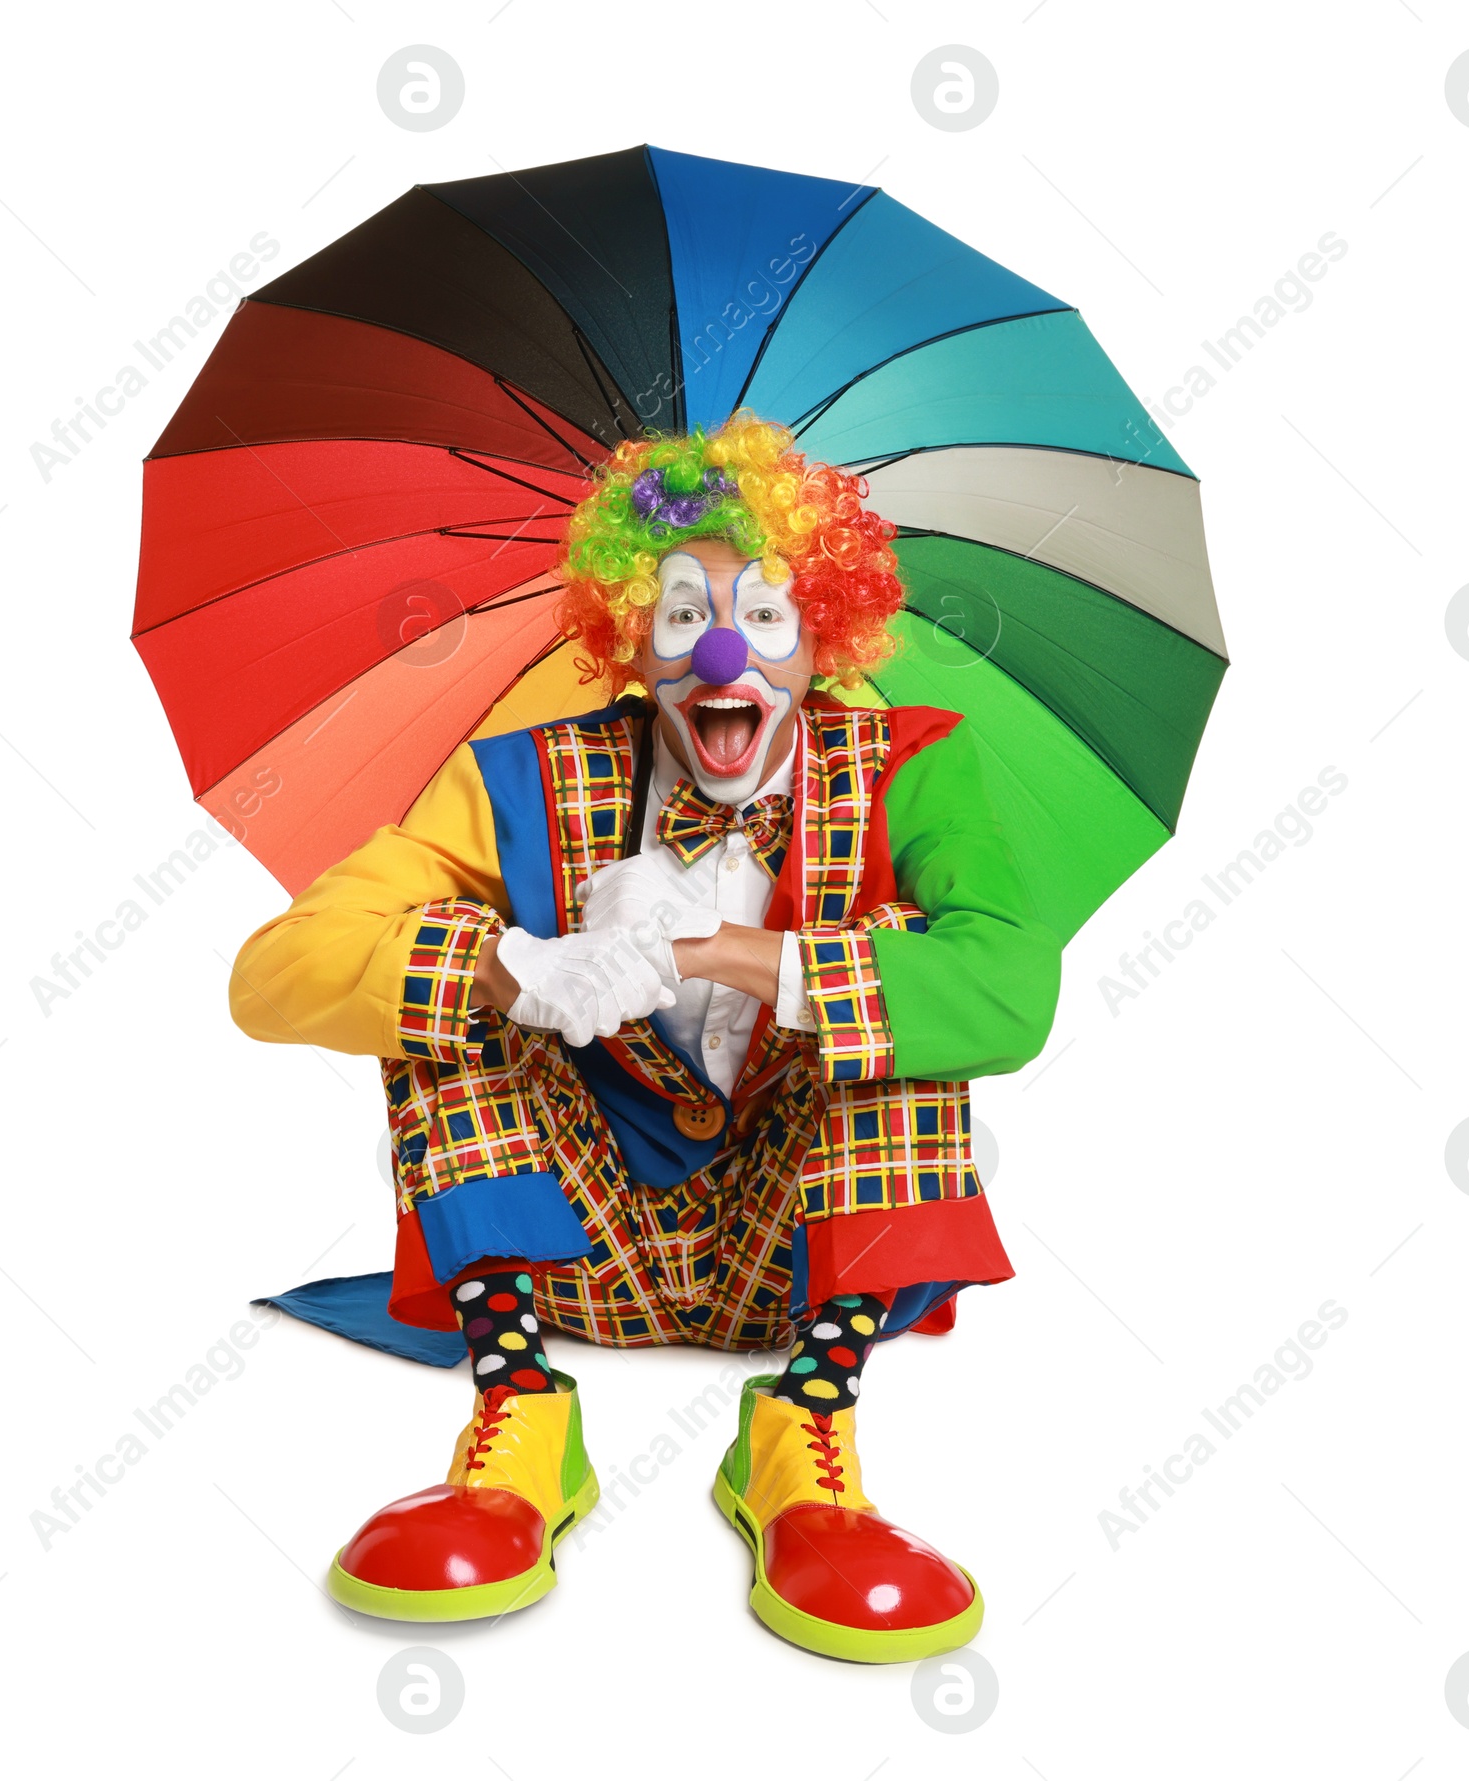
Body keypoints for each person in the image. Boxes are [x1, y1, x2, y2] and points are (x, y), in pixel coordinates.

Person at [229, 411, 1061, 1661]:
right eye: (684, 616)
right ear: (631, 635)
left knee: (892, 974)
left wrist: (735, 956)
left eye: (765, 618)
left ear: (822, 636)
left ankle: (802, 1440)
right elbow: (271, 974)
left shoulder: (910, 765)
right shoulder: (513, 778)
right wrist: (524, 967)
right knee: (446, 961)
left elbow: (1008, 990)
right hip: (574, 1260)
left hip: (799, 1268)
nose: (724, 650)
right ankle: (518, 1422)